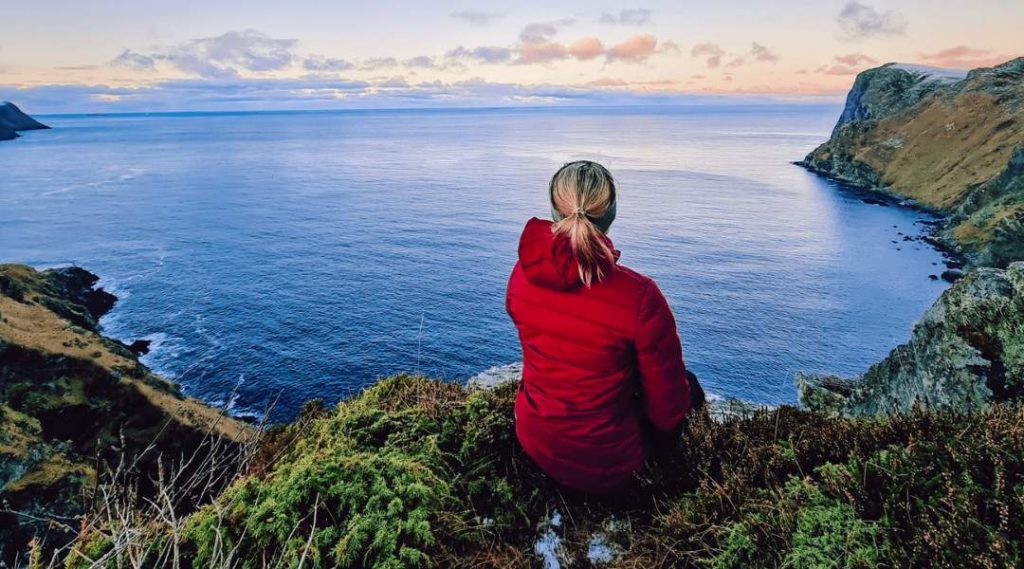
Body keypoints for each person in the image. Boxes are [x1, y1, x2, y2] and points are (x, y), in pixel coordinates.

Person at [506, 160, 704, 494]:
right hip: (610, 465)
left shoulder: (522, 275)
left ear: (555, 209)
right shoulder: (640, 297)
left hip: (536, 439)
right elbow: (668, 409)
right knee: (689, 388)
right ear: (610, 213)